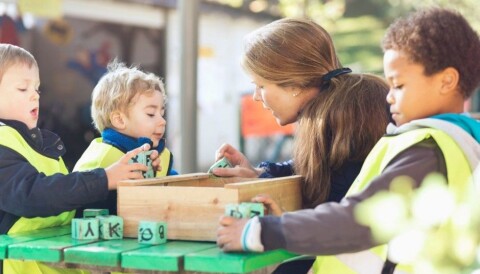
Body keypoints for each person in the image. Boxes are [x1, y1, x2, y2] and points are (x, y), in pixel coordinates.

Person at [216, 8, 480, 274]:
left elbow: (360, 217)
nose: (389, 98)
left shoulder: (425, 146)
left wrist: (261, 231)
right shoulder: (452, 138)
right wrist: (263, 175)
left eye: (398, 86)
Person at [212, 18, 391, 273]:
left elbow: (340, 215)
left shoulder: (335, 118)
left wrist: (278, 227)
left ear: (294, 84)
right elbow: (325, 169)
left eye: (261, 85)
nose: (256, 96)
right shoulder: (341, 102)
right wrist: (261, 174)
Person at [0, 44, 155, 274]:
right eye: (23, 88)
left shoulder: (39, 145)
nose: (34, 95)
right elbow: (33, 195)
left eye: (37, 88)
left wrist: (127, 180)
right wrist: (104, 179)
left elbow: (70, 207)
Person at [74, 60, 178, 215]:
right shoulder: (101, 159)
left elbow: (176, 188)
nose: (162, 121)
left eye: (161, 114)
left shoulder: (161, 154)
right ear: (120, 120)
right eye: (151, 114)